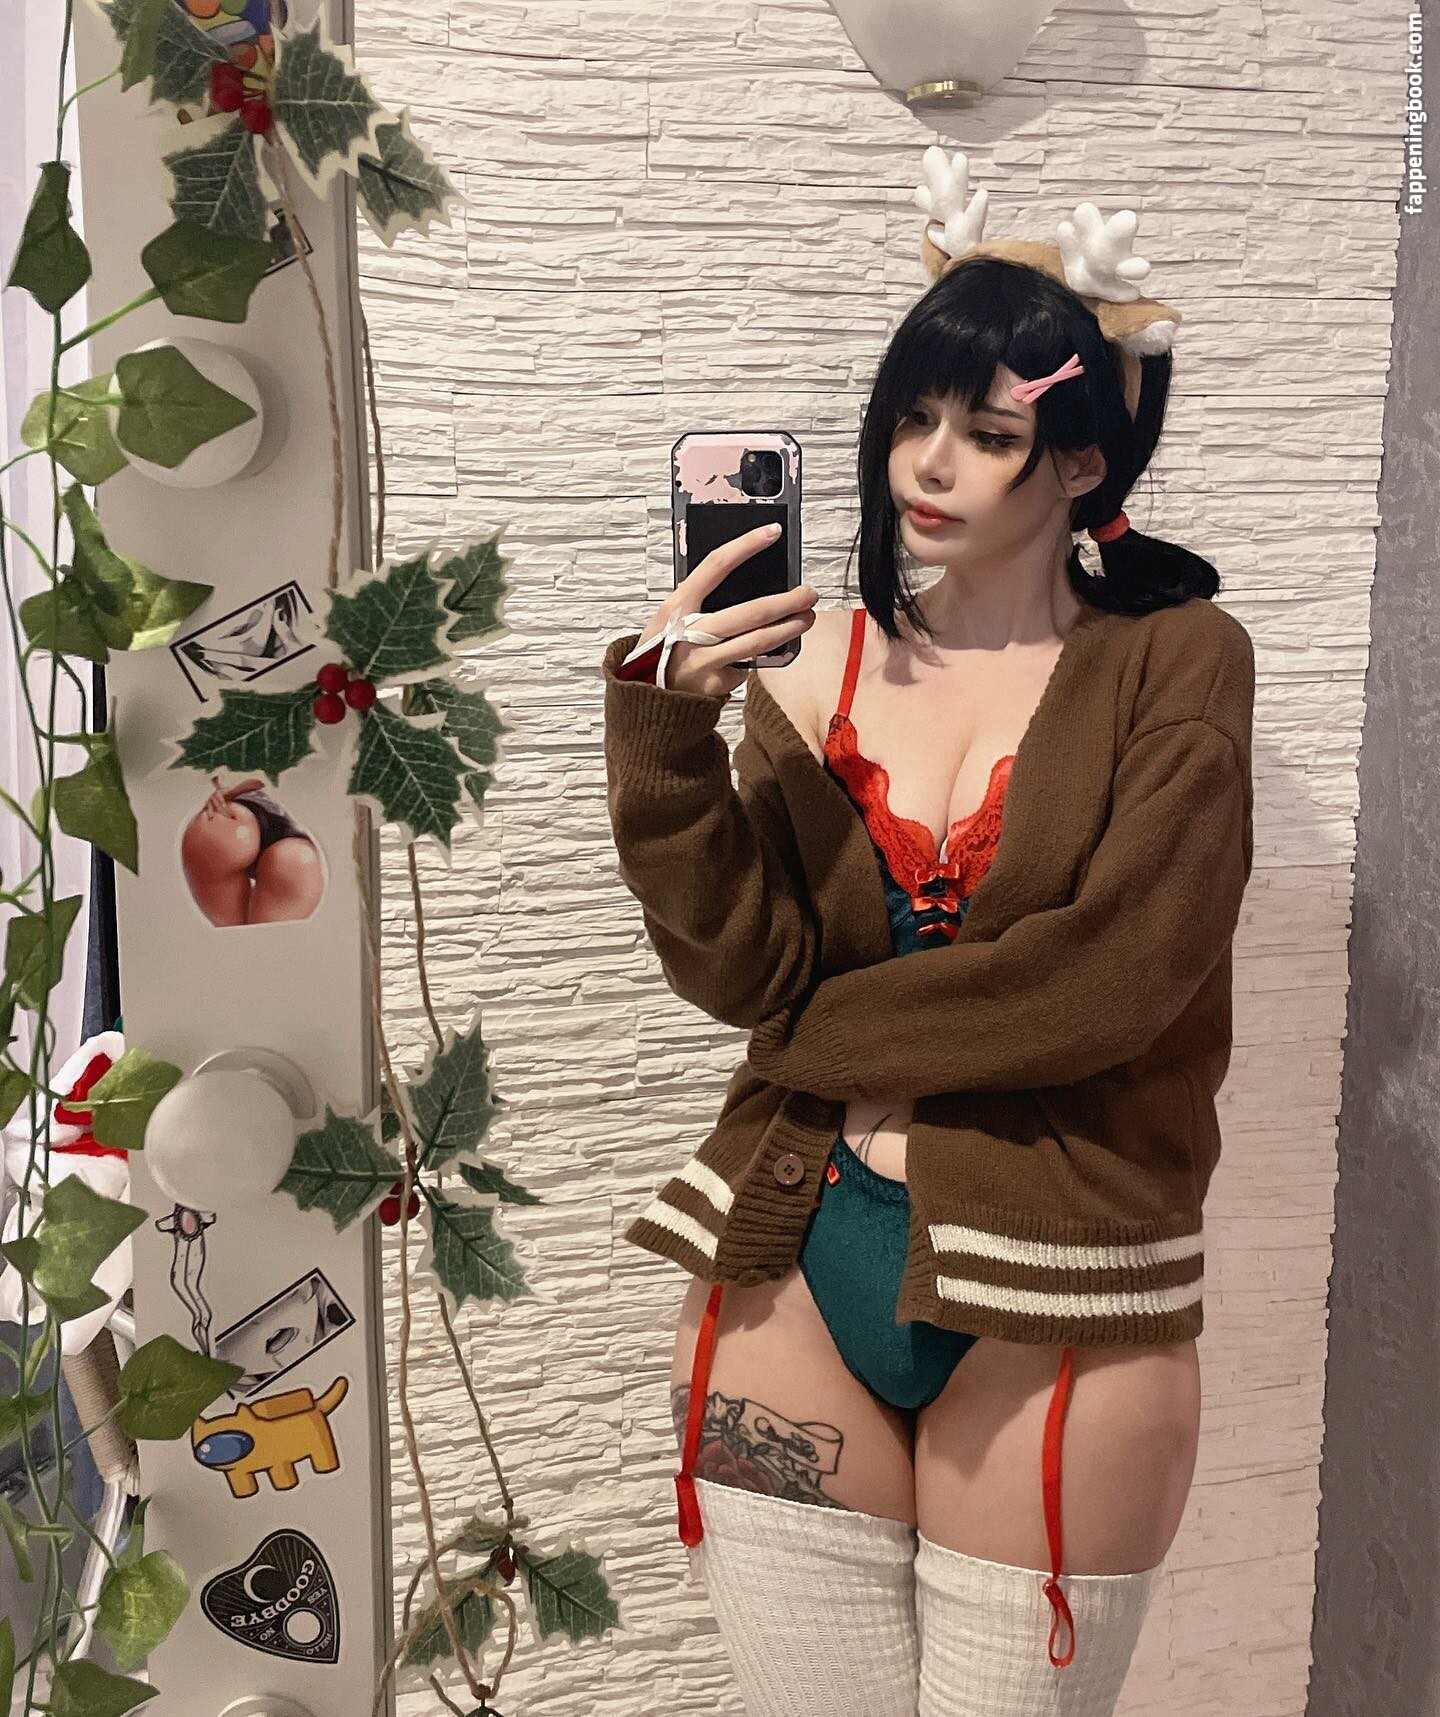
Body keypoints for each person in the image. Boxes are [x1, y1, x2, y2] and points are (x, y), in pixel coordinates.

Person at [601, 150, 1254, 1717]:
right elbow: (743, 973)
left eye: (988, 432)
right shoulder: (812, 662)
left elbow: (1106, 983)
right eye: (912, 418)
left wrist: (815, 1036)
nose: (929, 464)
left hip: (1065, 1291)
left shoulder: (1181, 661)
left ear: (1082, 462)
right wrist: (668, 736)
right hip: (791, 1261)